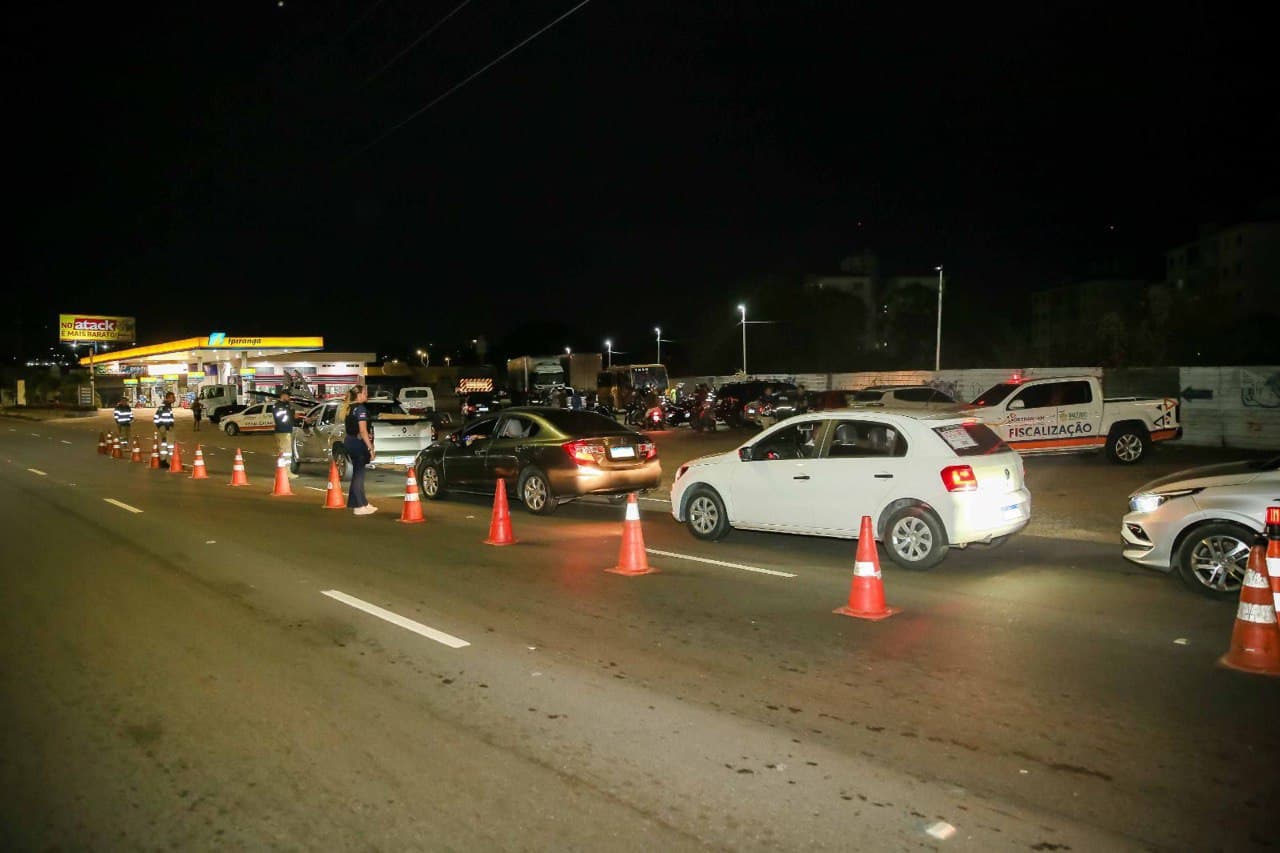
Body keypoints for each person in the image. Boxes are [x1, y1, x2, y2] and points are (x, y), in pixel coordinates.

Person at [342, 385, 377, 515]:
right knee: (359, 474)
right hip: (357, 442)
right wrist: (370, 447)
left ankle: (358, 503)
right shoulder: (360, 409)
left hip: (350, 441)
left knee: (358, 472)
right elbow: (362, 430)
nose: (367, 395)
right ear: (359, 395)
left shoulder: (349, 408)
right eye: (365, 393)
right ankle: (359, 506)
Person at [272, 390, 298, 478]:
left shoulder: (284, 406)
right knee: (286, 452)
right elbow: (282, 418)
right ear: (283, 395)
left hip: (285, 430)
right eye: (288, 396)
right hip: (283, 431)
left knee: (283, 452)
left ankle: (281, 471)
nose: (289, 398)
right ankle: (287, 472)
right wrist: (291, 414)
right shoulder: (279, 406)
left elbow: (289, 417)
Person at [154, 391, 176, 466]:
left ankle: (163, 460)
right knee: (170, 445)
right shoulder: (164, 406)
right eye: (173, 397)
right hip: (166, 429)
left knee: (164, 444)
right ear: (168, 398)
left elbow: (156, 417)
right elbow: (156, 417)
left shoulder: (167, 406)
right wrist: (161, 427)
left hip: (166, 428)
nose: (174, 399)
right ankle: (172, 461)